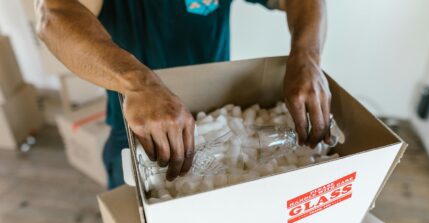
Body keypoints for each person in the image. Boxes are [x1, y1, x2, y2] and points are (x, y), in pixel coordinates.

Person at [36, 0, 332, 189]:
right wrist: (139, 84)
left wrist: (306, 57)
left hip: (217, 112)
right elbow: (53, 13)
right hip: (139, 131)